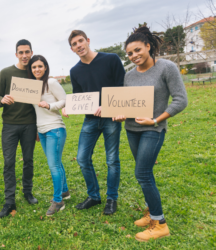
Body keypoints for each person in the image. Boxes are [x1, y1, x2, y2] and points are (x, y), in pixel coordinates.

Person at [113, 26, 187, 242]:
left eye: (137, 50)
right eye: (129, 53)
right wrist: (120, 114)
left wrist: (155, 119)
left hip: (153, 129)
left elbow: (181, 100)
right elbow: (129, 104)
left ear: (148, 46)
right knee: (145, 172)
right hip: (132, 130)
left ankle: (160, 223)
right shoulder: (129, 76)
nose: (134, 56)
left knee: (142, 174)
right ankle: (150, 213)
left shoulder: (167, 68)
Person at [62, 30, 125, 215]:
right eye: (74, 44)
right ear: (72, 49)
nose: (79, 45)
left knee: (112, 160)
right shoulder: (75, 71)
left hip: (111, 117)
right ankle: (94, 196)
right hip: (90, 120)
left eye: (81, 41)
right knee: (82, 158)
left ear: (88, 41)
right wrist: (68, 107)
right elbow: (79, 97)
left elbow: (122, 86)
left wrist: (107, 106)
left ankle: (112, 199)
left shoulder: (111, 59)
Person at [0, 39, 38, 218]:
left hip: (30, 125)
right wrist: (1, 100)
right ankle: (9, 200)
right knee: (9, 163)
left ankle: (28, 192)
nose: (25, 55)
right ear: (16, 54)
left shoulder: (35, 71)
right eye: (21, 52)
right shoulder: (6, 73)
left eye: (27, 52)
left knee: (28, 160)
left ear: (31, 52)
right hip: (10, 126)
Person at [27, 55, 70, 217]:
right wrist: (37, 129)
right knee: (56, 163)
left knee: (54, 166)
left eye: (40, 66)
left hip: (55, 129)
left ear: (45, 67)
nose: (37, 69)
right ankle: (64, 191)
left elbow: (65, 100)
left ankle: (58, 200)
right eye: (33, 67)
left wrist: (50, 105)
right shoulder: (32, 87)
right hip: (42, 130)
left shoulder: (51, 82)